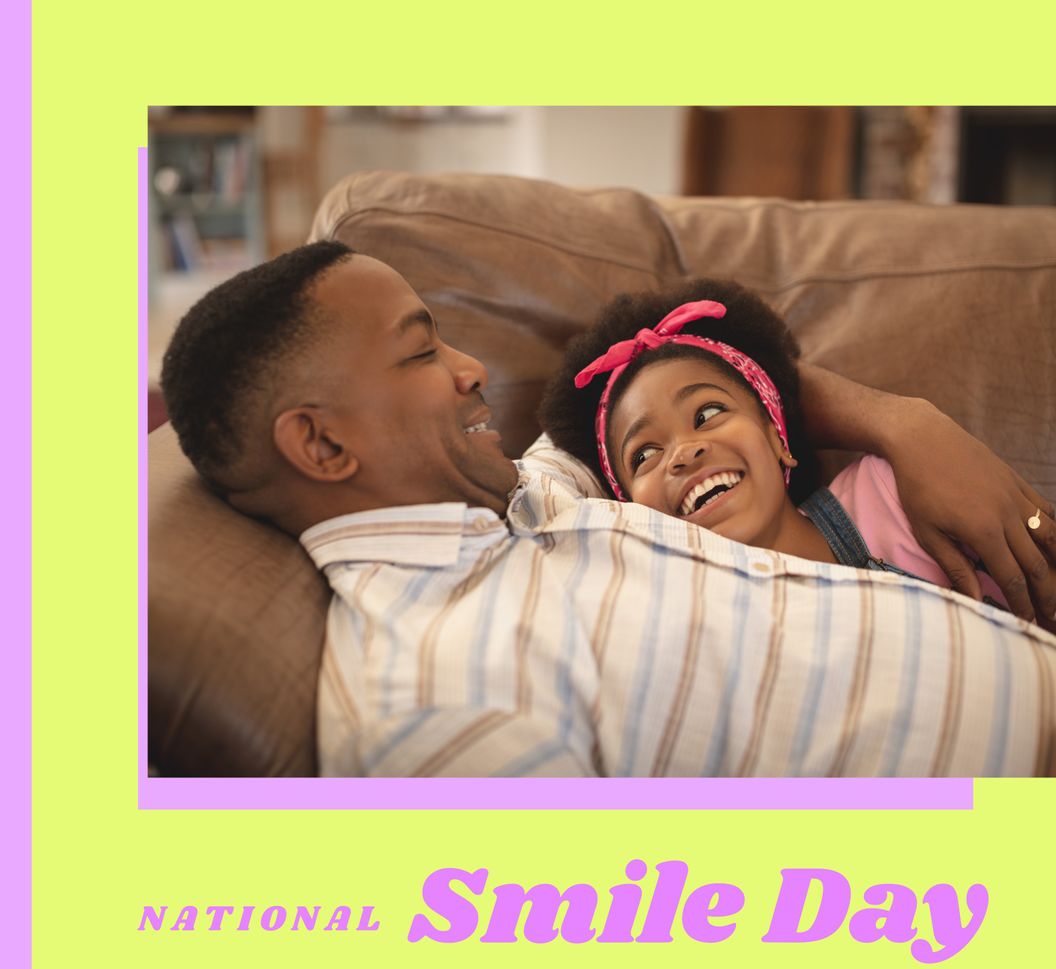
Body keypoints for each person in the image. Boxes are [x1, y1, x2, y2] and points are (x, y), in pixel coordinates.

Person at [160, 241, 1056, 777]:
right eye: (422, 351)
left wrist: (904, 423)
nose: (473, 370)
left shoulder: (526, 493)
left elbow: (681, 375)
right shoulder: (435, 702)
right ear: (321, 447)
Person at [537, 278, 1013, 608]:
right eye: (644, 454)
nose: (683, 452)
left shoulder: (893, 493)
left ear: (777, 436)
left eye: (708, 413)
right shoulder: (668, 620)